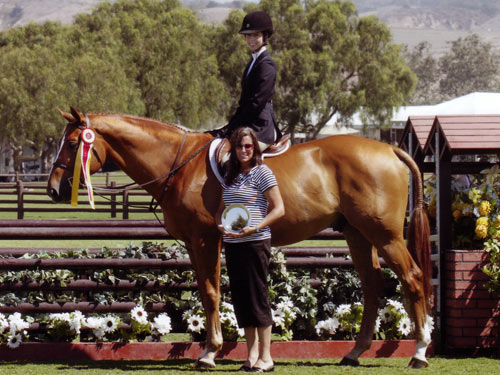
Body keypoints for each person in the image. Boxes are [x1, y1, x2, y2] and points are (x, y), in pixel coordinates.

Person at [215, 127, 285, 372]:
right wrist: (219, 224)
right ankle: (251, 354)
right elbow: (222, 208)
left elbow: (279, 208)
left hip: (255, 242)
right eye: (239, 146)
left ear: (254, 148)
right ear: (233, 149)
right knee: (242, 301)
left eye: (248, 146)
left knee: (258, 298)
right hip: (234, 244)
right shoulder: (230, 175)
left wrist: (255, 227)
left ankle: (267, 357)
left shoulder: (262, 172)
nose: (244, 150)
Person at [208, 10, 282, 152]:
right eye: (248, 35)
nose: (251, 40)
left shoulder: (267, 65)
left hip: (260, 129)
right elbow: (244, 104)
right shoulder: (252, 63)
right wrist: (228, 127)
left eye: (256, 35)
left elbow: (256, 104)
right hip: (247, 126)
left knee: (230, 156)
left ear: (265, 36)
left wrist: (233, 128)